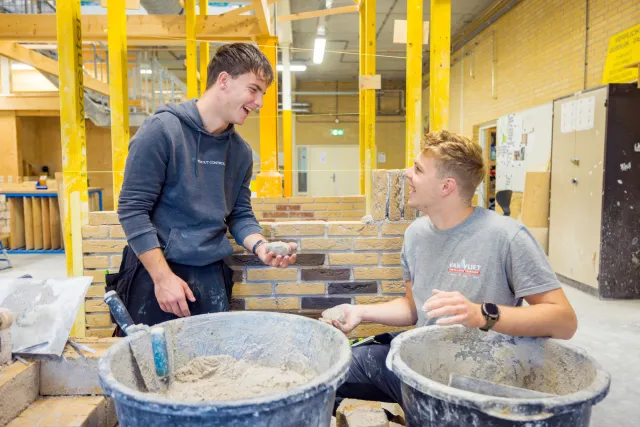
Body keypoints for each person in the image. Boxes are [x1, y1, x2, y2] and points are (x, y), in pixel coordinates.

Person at [325, 130, 577, 407]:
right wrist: (360, 312)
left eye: (418, 169)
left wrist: (482, 315)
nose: (407, 173)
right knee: (325, 374)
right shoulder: (416, 234)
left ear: (446, 186)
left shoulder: (507, 236)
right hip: (419, 363)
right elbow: (415, 307)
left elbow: (564, 321)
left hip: (475, 380)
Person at [111, 43, 296, 331]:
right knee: (151, 367)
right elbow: (132, 210)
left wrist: (261, 246)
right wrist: (163, 279)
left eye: (263, 94)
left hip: (210, 275)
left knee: (212, 366)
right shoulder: (162, 132)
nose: (259, 102)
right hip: (156, 273)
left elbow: (239, 215)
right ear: (224, 81)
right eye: (253, 89)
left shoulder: (240, 152)